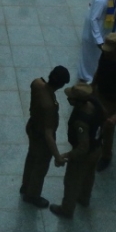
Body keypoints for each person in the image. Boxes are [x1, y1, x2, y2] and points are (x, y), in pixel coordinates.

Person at [49, 84, 105, 220]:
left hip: (85, 155)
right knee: (89, 175)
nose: (68, 99)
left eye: (71, 98)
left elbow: (83, 147)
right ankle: (84, 198)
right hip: (97, 148)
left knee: (72, 181)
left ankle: (66, 209)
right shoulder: (95, 104)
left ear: (78, 101)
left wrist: (67, 156)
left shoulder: (81, 122)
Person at [21, 66, 71, 209]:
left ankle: (25, 186)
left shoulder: (37, 83)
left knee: (31, 157)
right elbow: (48, 134)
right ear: (61, 85)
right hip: (42, 137)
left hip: (32, 127)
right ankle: (32, 195)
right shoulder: (49, 106)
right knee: (40, 166)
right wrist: (57, 156)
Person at [89, 33, 116, 171]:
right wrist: (92, 87)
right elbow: (99, 71)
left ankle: (106, 156)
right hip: (99, 94)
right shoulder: (105, 55)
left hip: (111, 101)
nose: (106, 53)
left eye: (110, 50)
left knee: (107, 130)